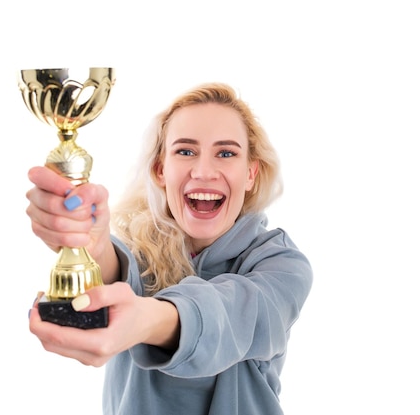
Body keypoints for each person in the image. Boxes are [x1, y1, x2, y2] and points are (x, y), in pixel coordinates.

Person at [26, 82, 313, 415]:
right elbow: (120, 274)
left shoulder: (283, 265)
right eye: (186, 151)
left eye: (226, 153)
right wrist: (90, 245)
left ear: (250, 173)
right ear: (161, 170)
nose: (204, 171)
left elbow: (231, 314)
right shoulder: (139, 253)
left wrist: (147, 320)